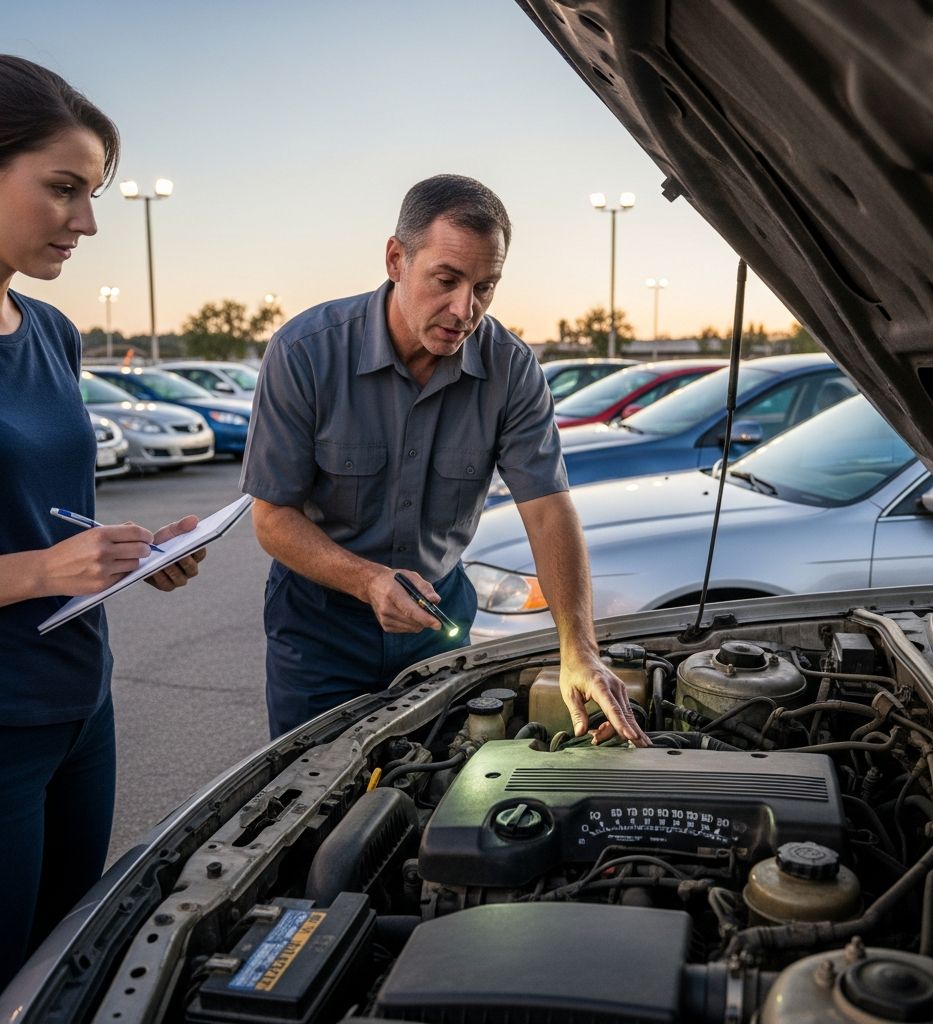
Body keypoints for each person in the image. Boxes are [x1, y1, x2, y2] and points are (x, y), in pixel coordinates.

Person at [242, 173, 648, 746]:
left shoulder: (512, 370)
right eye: (447, 279)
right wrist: (369, 582)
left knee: (432, 785)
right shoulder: (305, 353)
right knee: (317, 801)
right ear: (395, 259)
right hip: (319, 628)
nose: (465, 309)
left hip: (438, 621)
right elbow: (273, 519)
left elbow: (549, 510)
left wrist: (577, 648)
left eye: (486, 286)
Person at [0, 55, 205, 990]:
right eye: (64, 189)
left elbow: (54, 509)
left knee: (66, 967)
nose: (86, 221)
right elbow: (42, 552)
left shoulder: (51, 332)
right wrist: (45, 571)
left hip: (84, 705)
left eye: (94, 194)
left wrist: (128, 557)